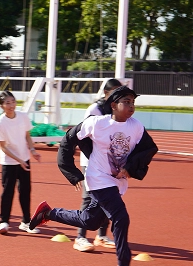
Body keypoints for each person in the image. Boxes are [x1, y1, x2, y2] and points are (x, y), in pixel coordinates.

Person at [29, 86, 158, 266]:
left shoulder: (136, 126)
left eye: (133, 102)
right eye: (126, 102)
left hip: (116, 182)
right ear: (113, 105)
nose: (131, 106)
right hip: (99, 178)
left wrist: (130, 167)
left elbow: (149, 148)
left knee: (90, 221)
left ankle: (48, 213)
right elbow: (68, 139)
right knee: (121, 217)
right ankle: (124, 262)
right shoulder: (97, 123)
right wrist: (72, 173)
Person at [73, 78, 123, 252]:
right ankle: (80, 237)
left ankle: (101, 235)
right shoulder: (94, 109)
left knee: (109, 197)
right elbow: (83, 135)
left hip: (111, 163)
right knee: (89, 198)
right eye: (116, 91)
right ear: (106, 93)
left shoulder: (118, 110)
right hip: (91, 162)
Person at [0, 90, 41, 234]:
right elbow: (2, 147)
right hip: (9, 162)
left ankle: (26, 222)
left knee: (25, 191)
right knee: (8, 192)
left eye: (13, 102)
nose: (11, 105)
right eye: (7, 103)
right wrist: (19, 160)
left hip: (24, 159)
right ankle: (4, 222)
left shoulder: (23, 117)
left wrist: (32, 151)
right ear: (2, 106)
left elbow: (27, 135)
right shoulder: (0, 123)